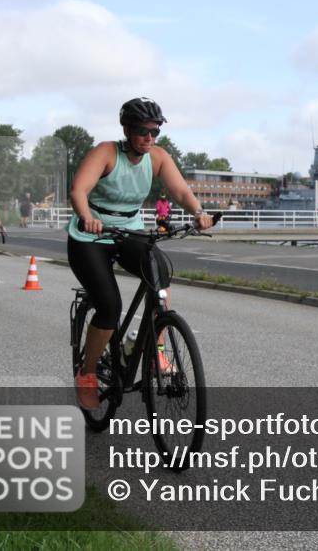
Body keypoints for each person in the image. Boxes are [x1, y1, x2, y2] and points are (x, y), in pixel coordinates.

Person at [67, 97, 214, 410]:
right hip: (90, 236)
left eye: (155, 131)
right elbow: (79, 189)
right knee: (109, 306)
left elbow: (181, 192)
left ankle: (154, 346)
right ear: (127, 129)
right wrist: (86, 216)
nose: (149, 137)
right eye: (143, 131)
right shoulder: (106, 153)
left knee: (159, 276)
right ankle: (88, 372)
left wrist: (198, 212)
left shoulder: (157, 157)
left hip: (129, 232)